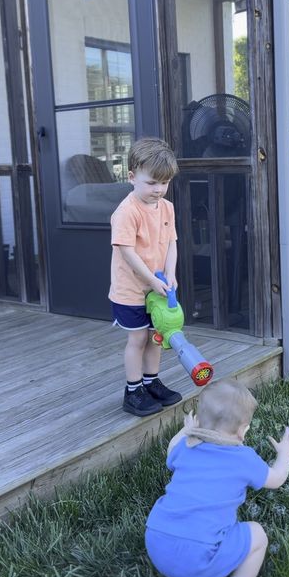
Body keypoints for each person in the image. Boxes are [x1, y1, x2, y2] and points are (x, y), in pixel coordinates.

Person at [145, 378, 289, 577]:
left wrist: (186, 431)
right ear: (242, 431)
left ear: (199, 421)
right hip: (198, 561)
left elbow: (171, 450)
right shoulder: (244, 458)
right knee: (257, 534)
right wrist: (284, 454)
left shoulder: (186, 446)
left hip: (156, 543)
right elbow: (277, 479)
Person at [109, 137, 182, 417]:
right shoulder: (127, 212)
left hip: (160, 289)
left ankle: (151, 382)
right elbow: (127, 252)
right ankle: (133, 390)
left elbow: (172, 242)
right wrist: (152, 280)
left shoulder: (167, 207)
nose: (159, 189)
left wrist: (171, 274)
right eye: (152, 183)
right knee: (138, 340)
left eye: (164, 183)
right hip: (132, 292)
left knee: (156, 338)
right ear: (132, 177)